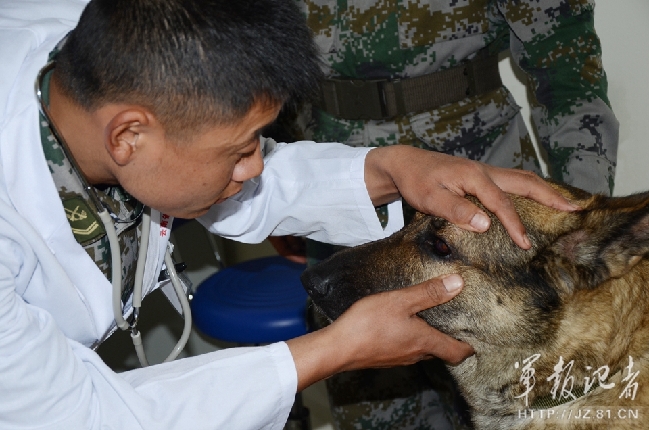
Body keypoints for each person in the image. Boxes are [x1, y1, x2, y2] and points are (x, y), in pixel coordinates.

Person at [0, 0, 578, 429]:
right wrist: (337, 349)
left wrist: (393, 166)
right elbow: (77, 416)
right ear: (128, 137)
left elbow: (240, 175)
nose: (257, 166)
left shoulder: (117, 49)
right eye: (240, 149)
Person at [284, 0, 619, 428]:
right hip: (339, 187)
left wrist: (574, 237)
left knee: (504, 407)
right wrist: (284, 201)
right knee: (372, 407)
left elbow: (569, 74)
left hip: (486, 217)